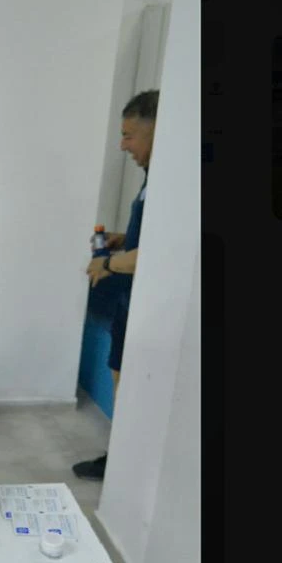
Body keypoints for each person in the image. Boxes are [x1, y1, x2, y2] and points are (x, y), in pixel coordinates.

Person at [74, 89, 159, 481]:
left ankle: (127, 469)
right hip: (131, 302)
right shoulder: (151, 180)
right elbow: (150, 241)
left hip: (148, 309)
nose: (123, 145)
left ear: (156, 129)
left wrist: (107, 262)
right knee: (120, 379)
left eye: (129, 135)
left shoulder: (171, 183)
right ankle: (120, 458)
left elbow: (158, 256)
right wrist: (124, 238)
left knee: (132, 390)